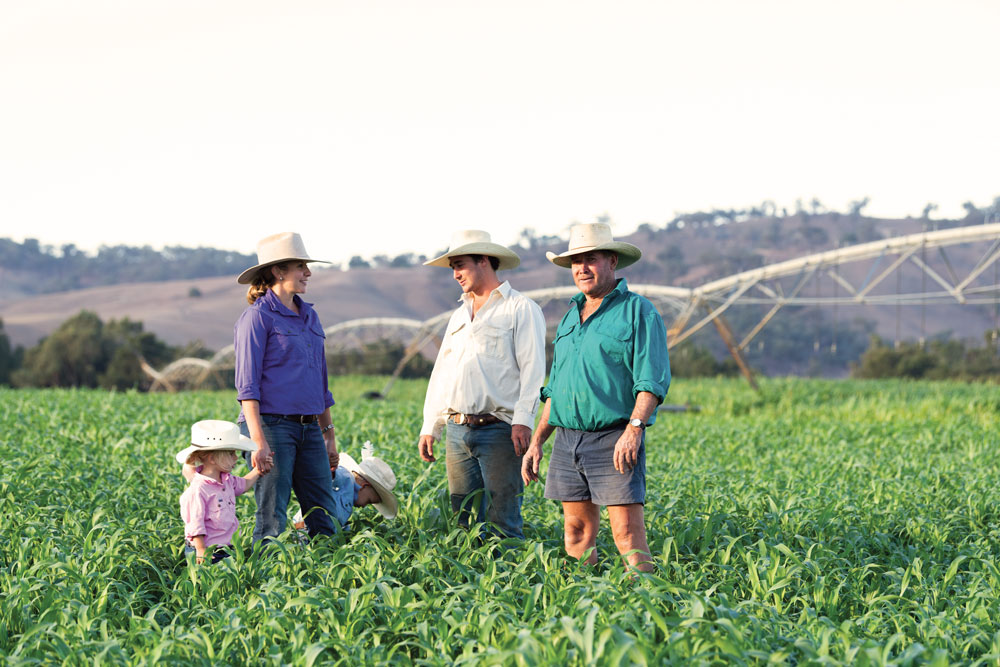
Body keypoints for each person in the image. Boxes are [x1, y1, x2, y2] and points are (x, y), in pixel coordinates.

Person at [521, 223, 670, 572]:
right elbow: (556, 388)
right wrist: (537, 441)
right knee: (575, 531)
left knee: (627, 534)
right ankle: (585, 601)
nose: (582, 268)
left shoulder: (639, 312)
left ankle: (647, 606)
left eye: (591, 259)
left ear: (612, 261)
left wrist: (634, 429)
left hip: (613, 438)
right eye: (576, 261)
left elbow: (651, 380)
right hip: (568, 441)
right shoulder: (571, 316)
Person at [418, 230, 547, 540]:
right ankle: (468, 585)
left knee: (503, 518)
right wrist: (430, 425)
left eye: (460, 265)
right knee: (462, 519)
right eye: (452, 267)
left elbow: (533, 371)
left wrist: (523, 421)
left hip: (501, 429)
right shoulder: (459, 316)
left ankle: (506, 584)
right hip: (457, 430)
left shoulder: (520, 308)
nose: (455, 275)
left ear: (484, 261)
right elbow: (443, 372)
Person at [233, 231, 341, 542]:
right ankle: (264, 584)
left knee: (324, 513)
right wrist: (258, 441)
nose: (308, 272)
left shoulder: (310, 316)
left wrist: (329, 436)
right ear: (279, 271)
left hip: (309, 429)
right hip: (271, 426)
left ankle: (330, 581)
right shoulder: (257, 318)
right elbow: (247, 387)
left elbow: (320, 384)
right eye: (300, 266)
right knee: (272, 517)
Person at [178, 420, 264, 564]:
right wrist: (200, 549)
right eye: (231, 454)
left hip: (227, 548)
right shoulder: (198, 489)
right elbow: (195, 523)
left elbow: (244, 485)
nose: (236, 458)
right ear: (212, 458)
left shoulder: (227, 481)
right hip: (207, 551)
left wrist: (258, 470)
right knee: (208, 583)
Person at [293, 442, 400, 534]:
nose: (364, 506)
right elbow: (331, 476)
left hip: (320, 534)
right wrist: (331, 471)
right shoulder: (345, 477)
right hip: (304, 530)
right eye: (369, 501)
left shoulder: (349, 505)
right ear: (365, 485)